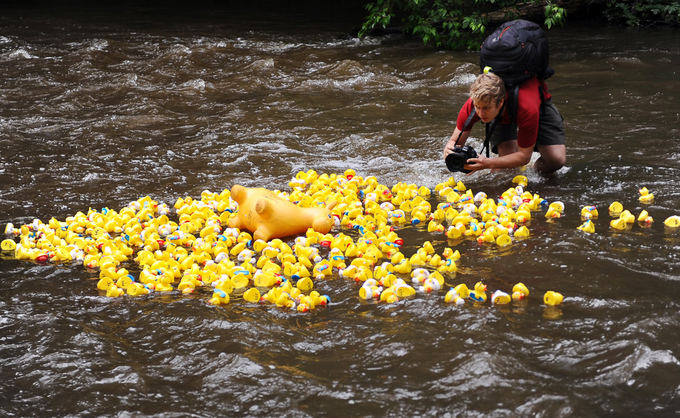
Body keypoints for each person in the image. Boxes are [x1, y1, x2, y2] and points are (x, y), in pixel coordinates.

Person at [442, 72, 566, 176]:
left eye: (485, 108)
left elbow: (524, 157)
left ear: (500, 102)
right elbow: (455, 142)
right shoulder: (473, 105)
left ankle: (534, 173)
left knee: (556, 160)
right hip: (501, 114)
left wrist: (487, 163)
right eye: (477, 107)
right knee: (506, 172)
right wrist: (450, 150)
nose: (480, 113)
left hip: (537, 105)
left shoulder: (527, 109)